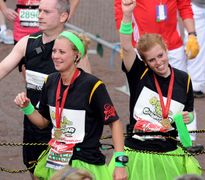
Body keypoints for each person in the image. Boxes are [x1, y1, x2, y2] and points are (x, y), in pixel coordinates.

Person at [14, 30, 127, 180]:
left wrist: (120, 163)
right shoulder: (50, 82)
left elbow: (115, 123)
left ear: (76, 55)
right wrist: (27, 107)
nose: (55, 56)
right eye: (54, 51)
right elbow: (43, 123)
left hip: (85, 162)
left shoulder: (93, 85)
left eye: (62, 52)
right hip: (56, 160)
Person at [0, 0, 90, 177]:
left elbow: (89, 89)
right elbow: (2, 68)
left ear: (63, 16)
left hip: (64, 131)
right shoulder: (27, 42)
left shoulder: (74, 48)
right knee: (36, 172)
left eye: (46, 12)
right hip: (33, 125)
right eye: (39, 11)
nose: (39, 15)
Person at [112, 0, 201, 179]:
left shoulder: (184, 79)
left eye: (160, 55)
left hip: (169, 151)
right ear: (145, 62)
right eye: (152, 60)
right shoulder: (139, 74)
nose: (158, 62)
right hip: (138, 151)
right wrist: (128, 15)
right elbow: (126, 47)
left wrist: (188, 118)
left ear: (166, 50)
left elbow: (189, 112)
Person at [114, 0, 199, 72]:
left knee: (179, 87)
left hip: (173, 47)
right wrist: (126, 46)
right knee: (146, 89)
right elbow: (121, 12)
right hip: (144, 49)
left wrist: (192, 35)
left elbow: (185, 6)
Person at [0, 0, 79, 44]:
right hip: (21, 29)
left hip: (47, 30)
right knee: (26, 65)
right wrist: (4, 9)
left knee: (49, 63)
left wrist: (66, 16)